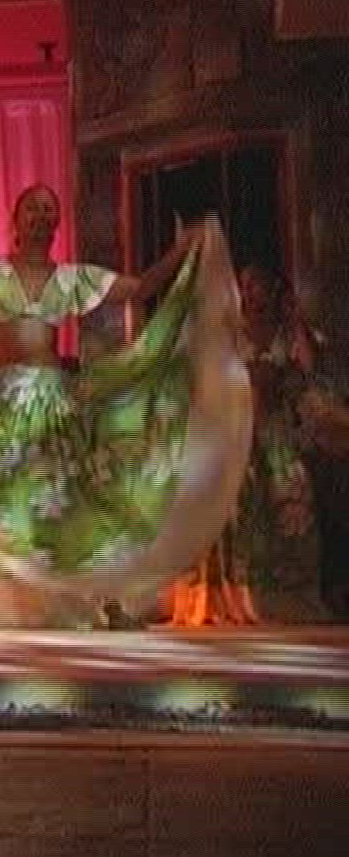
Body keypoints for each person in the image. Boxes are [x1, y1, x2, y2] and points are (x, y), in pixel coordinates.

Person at [0, 183, 249, 628]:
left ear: (57, 224)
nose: (41, 215)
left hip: (55, 403)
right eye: (32, 208)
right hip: (3, 401)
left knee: (84, 501)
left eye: (49, 209)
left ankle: (110, 605)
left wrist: (181, 251)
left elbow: (140, 288)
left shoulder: (72, 279)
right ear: (15, 221)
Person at [168, 264, 336, 625]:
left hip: (276, 436)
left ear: (274, 290)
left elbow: (310, 367)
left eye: (258, 285)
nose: (250, 292)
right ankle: (229, 595)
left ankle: (286, 598)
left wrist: (294, 319)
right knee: (231, 507)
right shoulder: (227, 331)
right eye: (244, 285)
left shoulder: (288, 332)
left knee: (292, 502)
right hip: (234, 433)